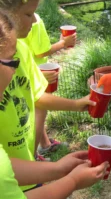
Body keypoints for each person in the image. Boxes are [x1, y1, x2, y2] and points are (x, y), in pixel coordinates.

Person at [0, 0, 96, 192]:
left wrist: (75, 104)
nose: (34, 20)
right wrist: (71, 180)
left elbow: (35, 96)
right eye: (29, 13)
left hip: (24, 166)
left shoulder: (21, 50)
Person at [21, 12, 76, 158]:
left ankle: (45, 145)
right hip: (39, 74)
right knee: (39, 113)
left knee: (34, 112)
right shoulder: (35, 20)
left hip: (26, 72)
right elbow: (41, 52)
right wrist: (64, 43)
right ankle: (32, 157)